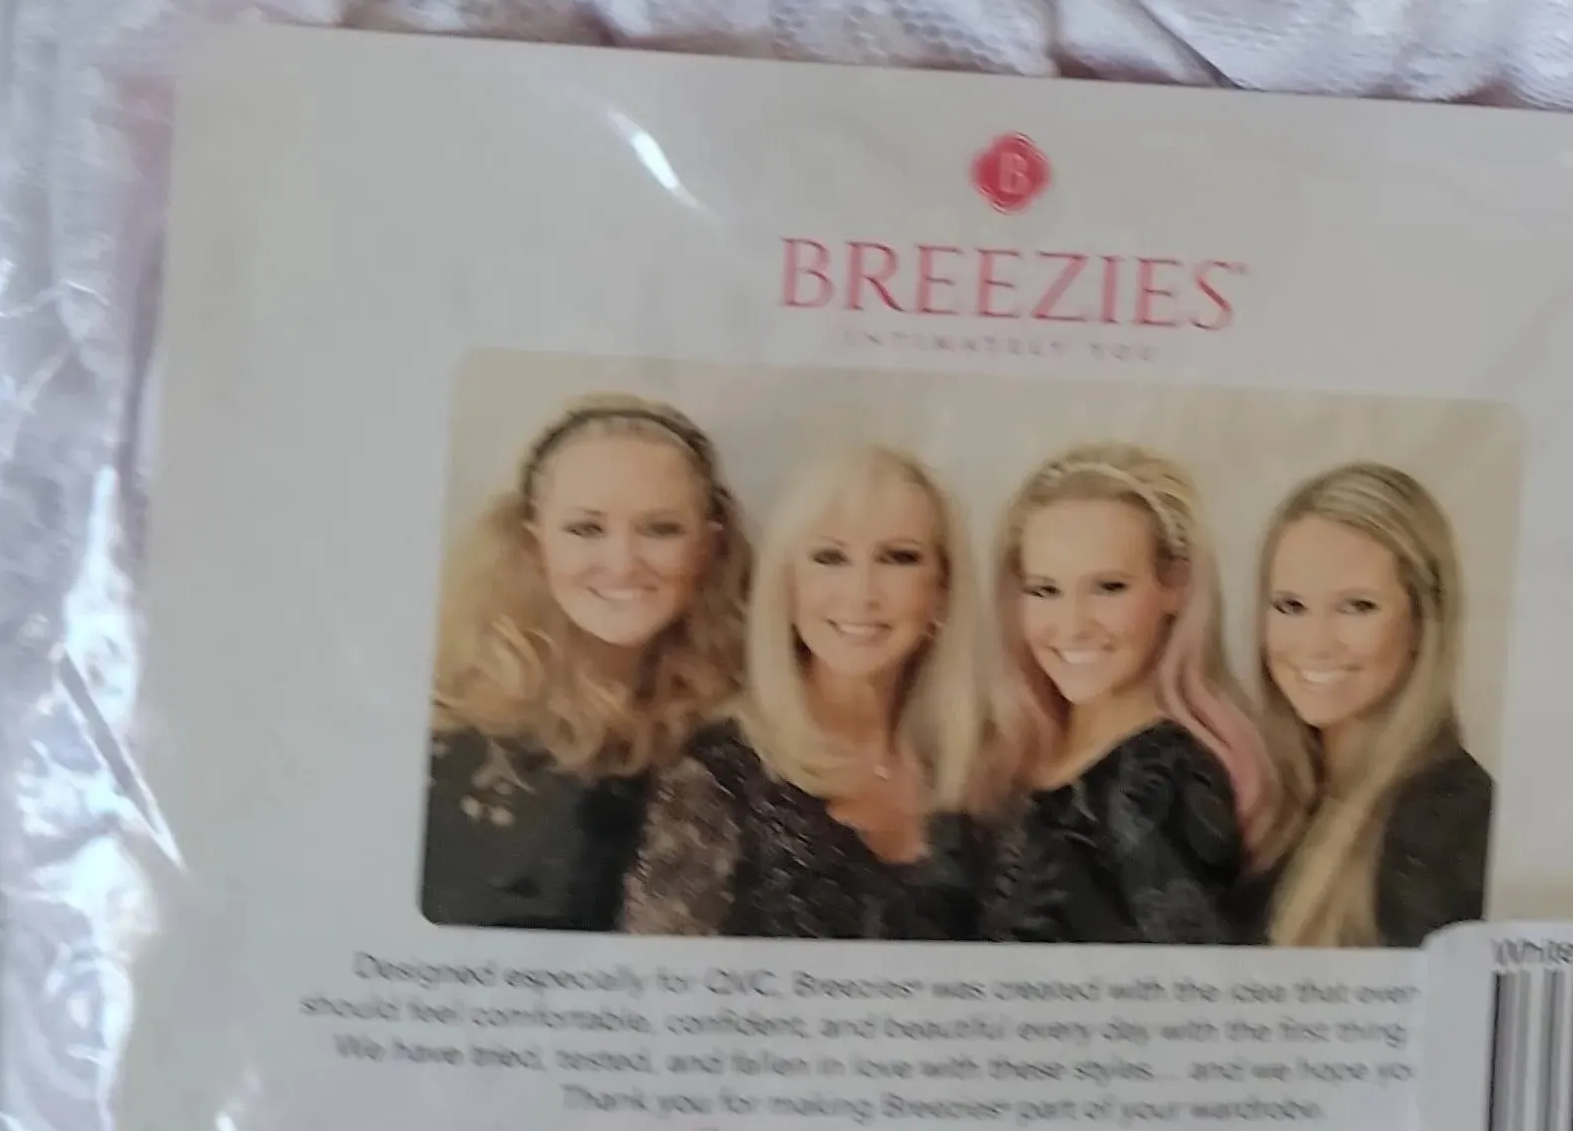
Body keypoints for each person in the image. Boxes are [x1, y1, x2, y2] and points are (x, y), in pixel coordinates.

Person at [624, 442, 978, 939]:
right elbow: (659, 980)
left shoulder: (979, 768)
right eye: (829, 558)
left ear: (942, 589)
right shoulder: (715, 775)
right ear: (787, 585)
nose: (861, 593)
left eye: (898, 558)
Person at [423, 397, 747, 929]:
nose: (622, 563)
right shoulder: (449, 734)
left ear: (709, 547)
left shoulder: (737, 727)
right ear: (534, 543)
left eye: (661, 529)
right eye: (585, 529)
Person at [967, 445, 1272, 941]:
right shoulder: (1018, 750)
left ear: (1175, 584)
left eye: (1108, 587)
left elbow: (1187, 982)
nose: (1072, 625)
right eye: (1044, 590)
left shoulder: (1162, 784)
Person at [1257, 463, 1493, 947]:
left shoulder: (1450, 824)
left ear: (1424, 621)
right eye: (1290, 606)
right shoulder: (1278, 801)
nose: (1315, 644)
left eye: (1357, 606)